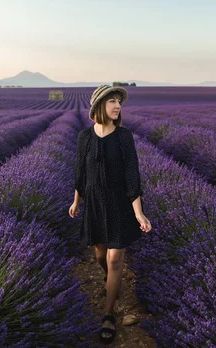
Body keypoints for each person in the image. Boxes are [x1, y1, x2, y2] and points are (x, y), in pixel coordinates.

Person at [69, 84, 152, 344]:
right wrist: (76, 202)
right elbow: (80, 173)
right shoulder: (85, 137)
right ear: (99, 106)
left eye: (119, 102)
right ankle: (110, 282)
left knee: (116, 259)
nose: (117, 106)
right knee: (100, 255)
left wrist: (139, 213)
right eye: (112, 101)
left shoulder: (124, 137)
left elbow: (132, 177)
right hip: (94, 204)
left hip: (118, 205)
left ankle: (108, 314)